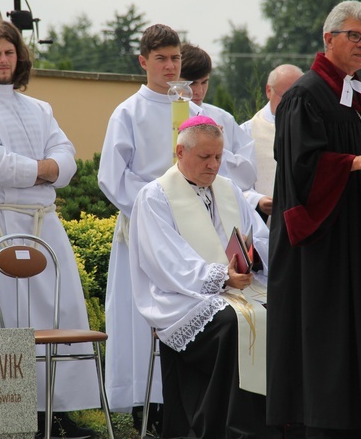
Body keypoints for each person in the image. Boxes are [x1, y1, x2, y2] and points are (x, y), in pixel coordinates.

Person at [98, 26, 257, 428]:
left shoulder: (204, 116)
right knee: (147, 327)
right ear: (144, 62)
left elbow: (236, 172)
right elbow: (114, 178)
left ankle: (245, 420)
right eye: (161, 59)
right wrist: (164, 207)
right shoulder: (129, 112)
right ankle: (148, 408)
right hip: (152, 231)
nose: (170, 67)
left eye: (175, 59)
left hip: (205, 227)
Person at [0, 17, 98, 437]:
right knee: (15, 319)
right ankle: (23, 414)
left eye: (9, 52)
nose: (3, 60)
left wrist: (48, 169)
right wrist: (47, 170)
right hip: (4, 224)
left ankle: (61, 412)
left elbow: (66, 155)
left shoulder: (40, 108)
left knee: (61, 311)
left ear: (20, 55)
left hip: (45, 225)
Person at [267, 0, 361, 438]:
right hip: (322, 240)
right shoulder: (305, 94)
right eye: (355, 36)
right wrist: (352, 161)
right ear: (330, 39)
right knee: (328, 334)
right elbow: (297, 167)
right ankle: (326, 424)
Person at [130, 116, 279, 438]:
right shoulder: (155, 196)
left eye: (218, 157)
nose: (213, 165)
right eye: (204, 157)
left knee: (281, 312)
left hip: (237, 289)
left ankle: (273, 424)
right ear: (180, 152)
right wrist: (218, 277)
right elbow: (164, 259)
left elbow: (259, 238)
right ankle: (221, 428)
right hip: (183, 297)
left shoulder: (228, 190)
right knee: (229, 323)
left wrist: (251, 261)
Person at [178, 43, 257, 193]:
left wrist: (216, 147)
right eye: (192, 83)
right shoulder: (166, 115)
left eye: (204, 82)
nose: (199, 91)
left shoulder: (223, 118)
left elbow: (248, 175)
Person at [241, 64, 304, 221]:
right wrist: (257, 200)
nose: (292, 104)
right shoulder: (247, 132)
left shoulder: (312, 128)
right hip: (266, 226)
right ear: (269, 90)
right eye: (285, 97)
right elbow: (236, 183)